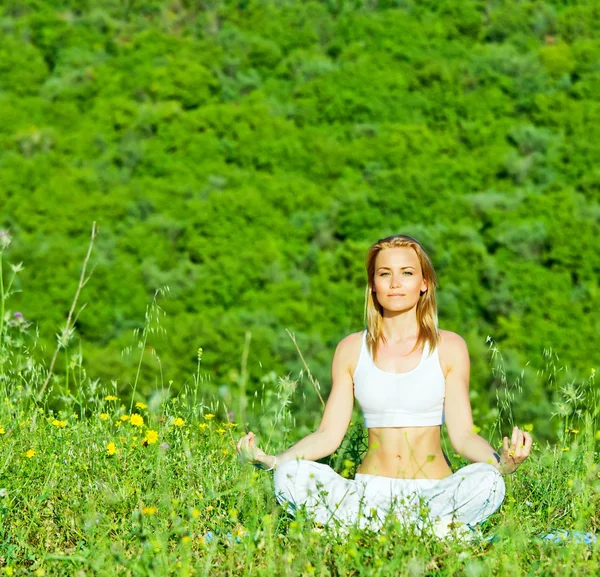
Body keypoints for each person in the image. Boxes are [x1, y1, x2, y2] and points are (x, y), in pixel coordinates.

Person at [236, 234, 533, 539]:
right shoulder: (351, 348)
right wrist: (272, 461)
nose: (394, 283)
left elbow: (464, 436)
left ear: (424, 283)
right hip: (368, 496)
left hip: (434, 495)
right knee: (288, 475)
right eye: (384, 274)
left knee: (488, 481)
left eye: (406, 273)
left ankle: (372, 532)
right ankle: (425, 533)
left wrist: (501, 462)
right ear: (373, 285)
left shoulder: (449, 347)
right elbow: (327, 435)